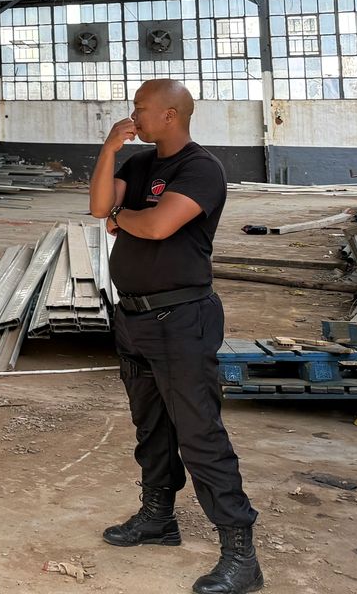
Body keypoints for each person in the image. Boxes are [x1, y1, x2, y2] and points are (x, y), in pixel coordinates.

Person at [90, 80, 261, 594]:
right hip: (134, 318)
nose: (133, 116)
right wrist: (109, 151)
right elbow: (99, 207)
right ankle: (158, 518)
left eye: (140, 108)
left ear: (169, 114)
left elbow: (159, 225)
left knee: (199, 433)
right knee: (152, 426)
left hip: (181, 319)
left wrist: (121, 217)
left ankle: (241, 556)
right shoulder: (138, 163)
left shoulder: (200, 168)